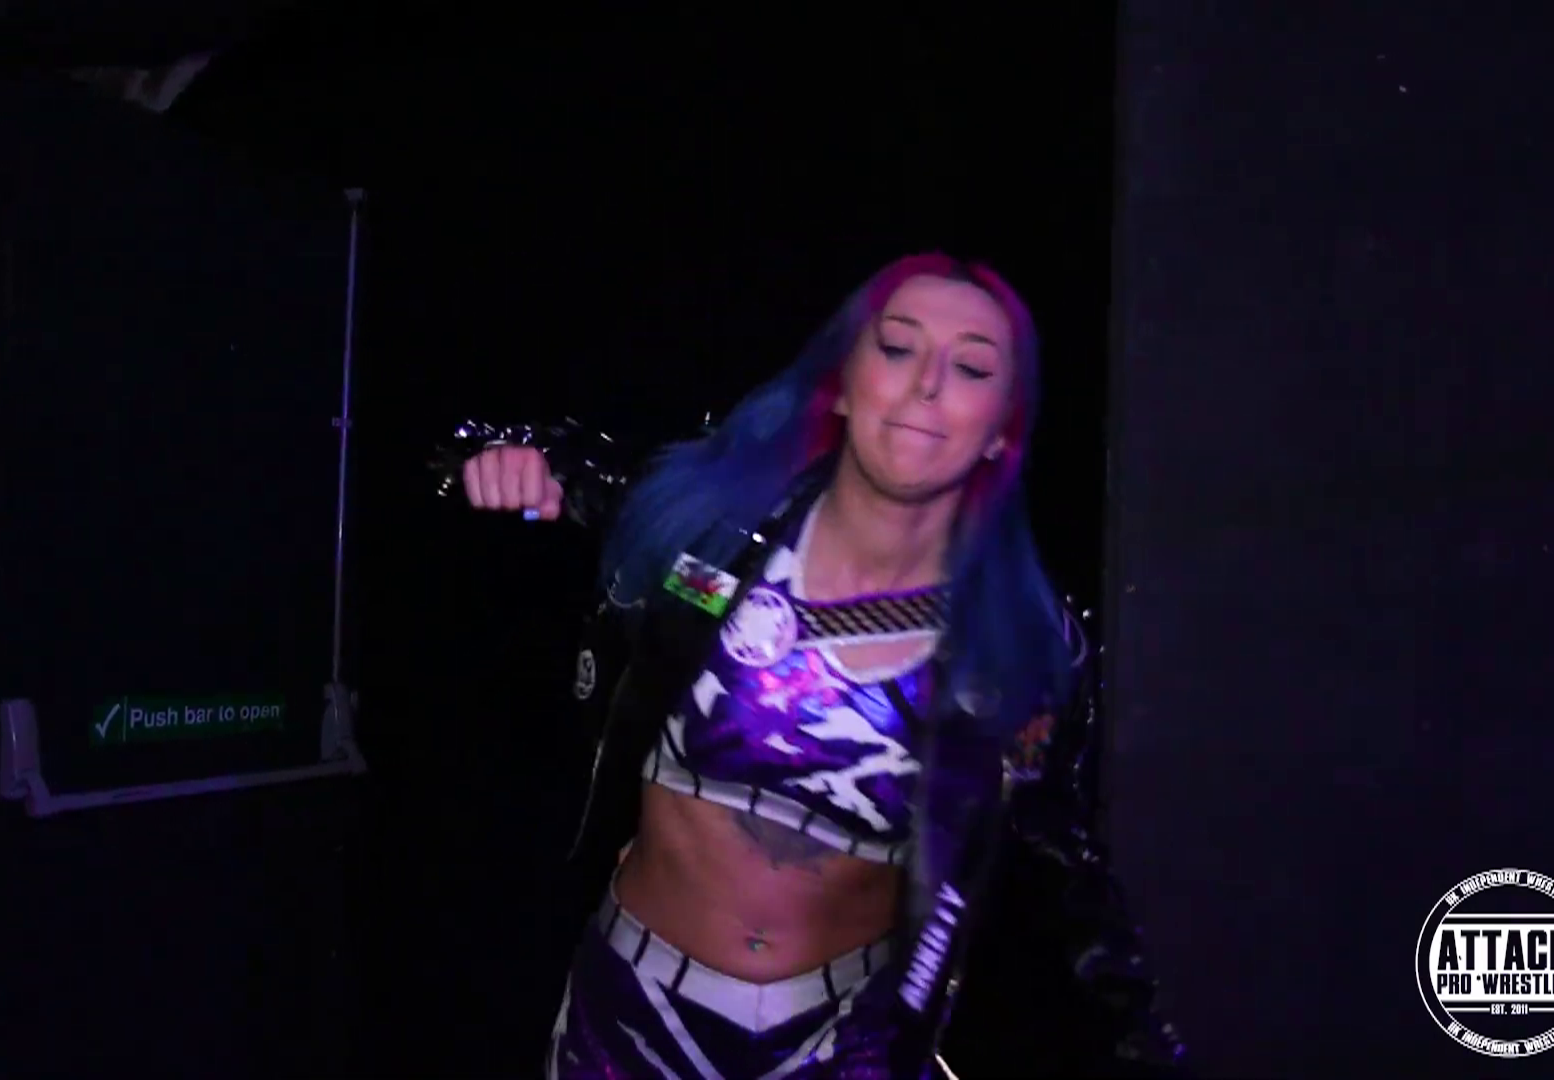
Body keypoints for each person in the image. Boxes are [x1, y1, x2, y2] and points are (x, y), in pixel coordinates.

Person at [438, 254, 1182, 1078]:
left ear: (1004, 427)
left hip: (842, 1046)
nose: (926, 385)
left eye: (971, 367)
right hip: (628, 1022)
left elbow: (1064, 874)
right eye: (897, 347)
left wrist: (1145, 1047)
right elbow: (535, 463)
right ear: (844, 382)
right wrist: (510, 459)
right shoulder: (715, 531)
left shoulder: (1019, 647)